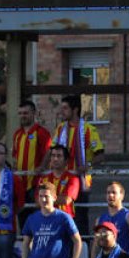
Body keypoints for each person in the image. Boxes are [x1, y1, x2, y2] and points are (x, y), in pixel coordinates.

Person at [46, 96, 104, 229]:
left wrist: (86, 166)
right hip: (61, 178)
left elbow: (100, 156)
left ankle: (83, 246)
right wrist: (43, 167)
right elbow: (51, 150)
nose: (62, 111)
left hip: (81, 179)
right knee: (60, 213)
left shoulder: (88, 129)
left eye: (65, 108)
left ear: (75, 109)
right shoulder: (61, 128)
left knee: (81, 216)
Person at [19, 183, 81, 258]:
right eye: (41, 196)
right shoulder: (32, 218)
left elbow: (77, 241)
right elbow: (26, 242)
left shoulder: (64, 218)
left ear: (54, 198)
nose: (43, 200)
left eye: (46, 196)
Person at [12, 100, 51, 217]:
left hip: (36, 183)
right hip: (20, 183)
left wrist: (42, 166)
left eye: (25, 113)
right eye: (20, 113)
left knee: (37, 217)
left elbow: (49, 152)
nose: (22, 116)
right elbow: (15, 155)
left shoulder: (42, 132)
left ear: (33, 113)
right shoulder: (17, 134)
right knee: (22, 218)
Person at [94, 182, 129, 258]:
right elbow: (95, 247)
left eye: (114, 192)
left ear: (121, 196)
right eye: (108, 193)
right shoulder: (100, 219)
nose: (110, 195)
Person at [34, 145, 80, 219]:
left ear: (66, 160)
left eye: (59, 156)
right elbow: (37, 201)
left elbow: (66, 200)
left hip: (65, 220)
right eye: (53, 155)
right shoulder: (43, 178)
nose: (55, 159)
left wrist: (44, 199)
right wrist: (56, 198)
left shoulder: (73, 178)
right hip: (46, 219)